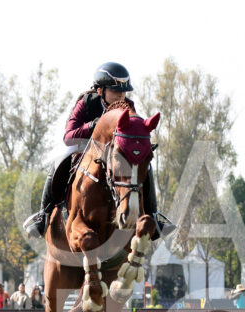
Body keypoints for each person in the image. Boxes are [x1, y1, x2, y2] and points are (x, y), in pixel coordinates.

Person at [22, 62, 167, 239]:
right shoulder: (86, 103)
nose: (121, 95)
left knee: (146, 165)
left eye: (124, 91)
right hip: (84, 147)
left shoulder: (128, 106)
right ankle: (44, 214)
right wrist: (92, 125)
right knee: (58, 162)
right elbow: (69, 136)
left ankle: (153, 214)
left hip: (113, 153)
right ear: (100, 91)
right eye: (115, 91)